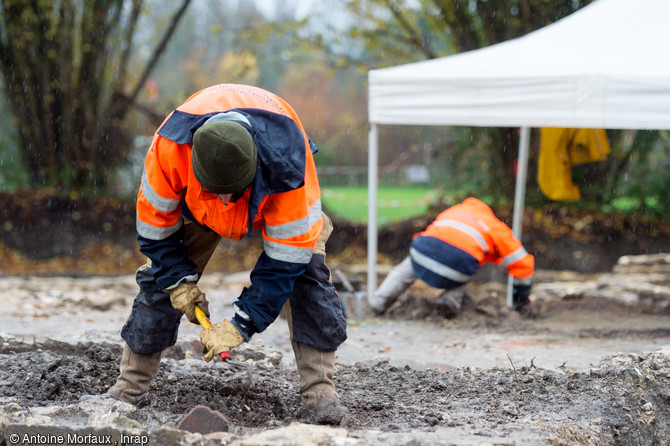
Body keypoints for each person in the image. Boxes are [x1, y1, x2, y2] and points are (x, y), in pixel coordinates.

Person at [105, 83, 348, 424]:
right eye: (215, 191)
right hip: (194, 209)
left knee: (308, 278)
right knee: (157, 282)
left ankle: (320, 391)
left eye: (229, 193)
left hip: (270, 200)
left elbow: (285, 264)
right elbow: (155, 231)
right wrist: (178, 284)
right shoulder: (169, 148)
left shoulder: (289, 165)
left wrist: (242, 323)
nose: (223, 202)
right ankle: (127, 388)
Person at [368, 197, 534, 317]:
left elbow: (433, 235)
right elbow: (522, 263)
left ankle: (378, 303)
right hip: (457, 265)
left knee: (405, 270)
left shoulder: (454, 211)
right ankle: (450, 302)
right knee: (467, 262)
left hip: (423, 251)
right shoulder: (494, 225)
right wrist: (520, 299)